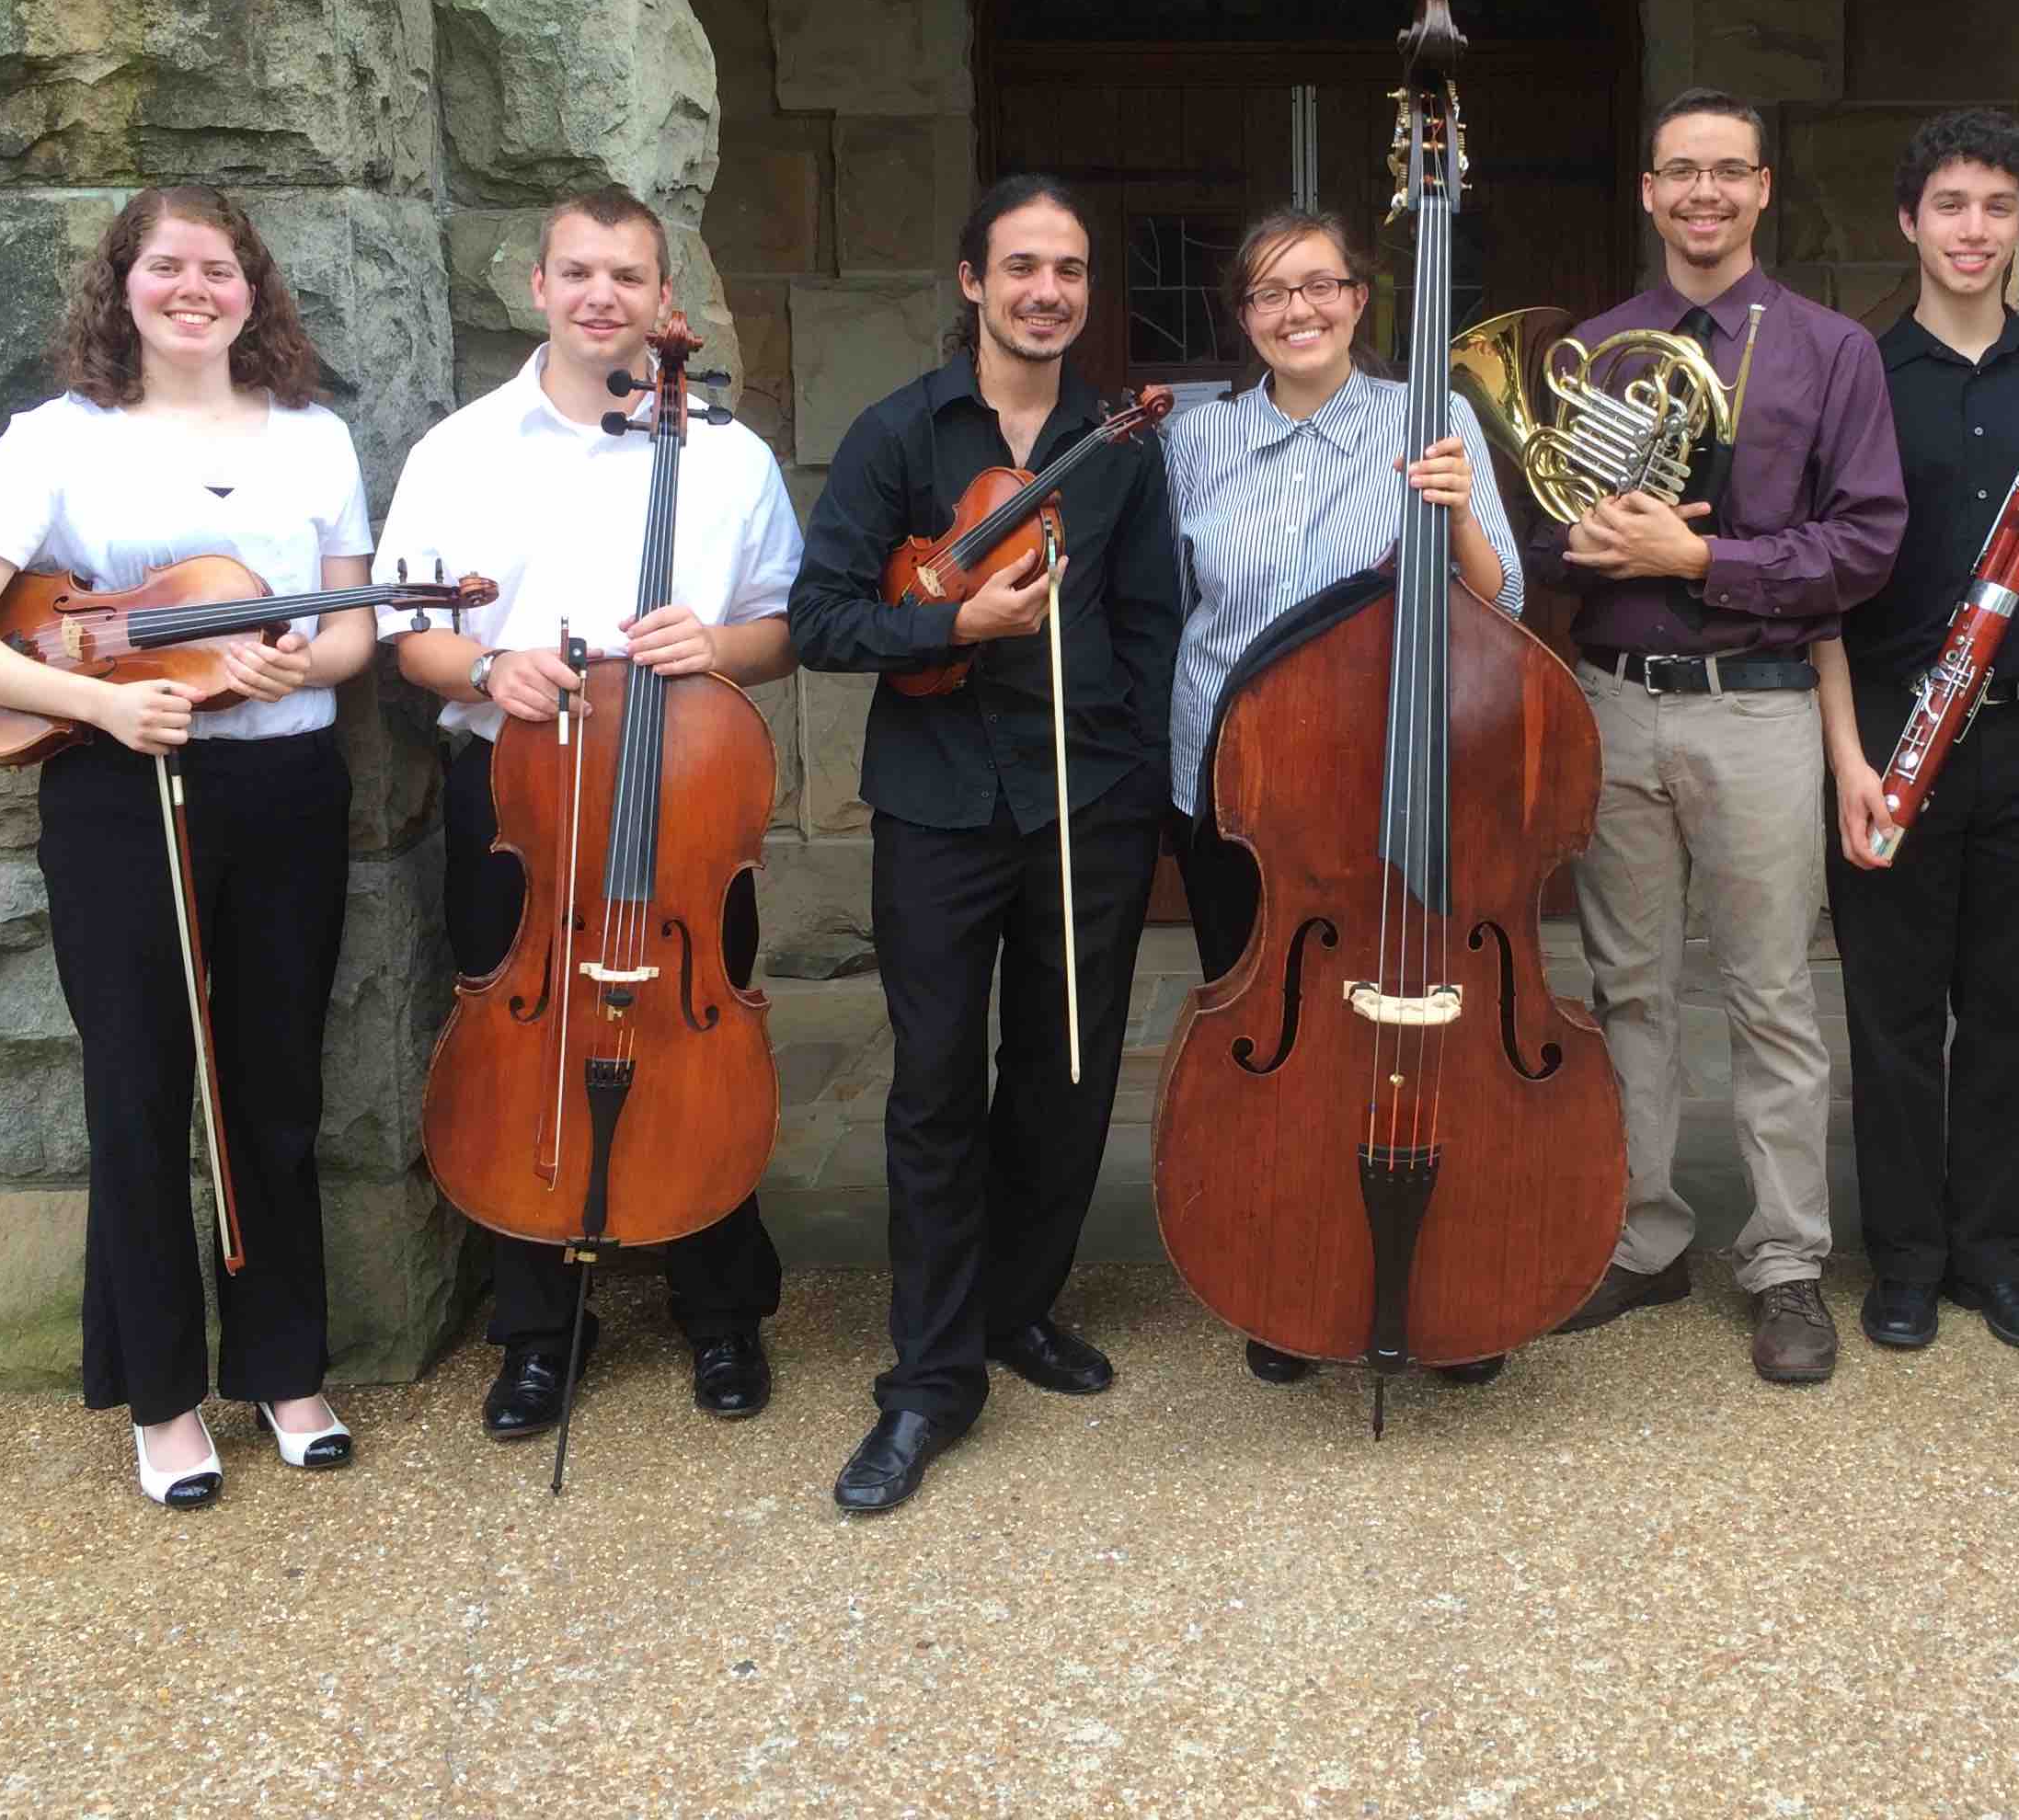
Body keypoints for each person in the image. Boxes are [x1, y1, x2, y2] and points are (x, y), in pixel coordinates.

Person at [0, 188, 373, 1507]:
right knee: (144, 1089)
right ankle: (162, 1398)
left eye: (219, 269)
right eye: (166, 268)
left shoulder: (315, 437)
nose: (194, 290)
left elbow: (351, 634)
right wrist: (103, 702)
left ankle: (284, 1368)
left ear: (252, 290)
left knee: (274, 1086)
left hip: (285, 786)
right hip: (122, 788)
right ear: (124, 286)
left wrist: (299, 651)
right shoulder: (57, 441)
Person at [375, 189, 802, 1443]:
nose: (601, 295)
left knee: (697, 1038)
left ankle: (721, 1307)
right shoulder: (462, 447)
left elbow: (783, 629)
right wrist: (486, 667)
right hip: (522, 796)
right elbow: (409, 635)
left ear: (665, 299)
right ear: (540, 284)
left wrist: (713, 640)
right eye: (579, 272)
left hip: (686, 806)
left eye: (627, 274)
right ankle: (538, 1331)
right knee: (527, 1054)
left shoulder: (727, 454)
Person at [790, 175, 1180, 1514]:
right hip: (942, 805)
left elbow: (1150, 622)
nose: (1046, 291)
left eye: (1069, 269)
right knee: (937, 1088)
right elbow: (823, 618)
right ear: (972, 283)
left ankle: (1019, 1305)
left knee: (1066, 1076)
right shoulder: (901, 434)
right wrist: (948, 632)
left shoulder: (1122, 441)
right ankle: (932, 1376)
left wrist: (1122, 779)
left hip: (1086, 801)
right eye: (1021, 266)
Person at [1528, 88, 1906, 1386]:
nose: (1704, 193)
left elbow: (1864, 545)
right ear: (1648, 191)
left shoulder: (1829, 352)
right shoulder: (1598, 345)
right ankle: (1643, 1240)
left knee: (1772, 998)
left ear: (1761, 192)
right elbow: (1540, 542)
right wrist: (1579, 538)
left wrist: (1700, 551)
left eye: (1727, 173)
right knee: (1629, 990)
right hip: (1616, 704)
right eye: (1680, 172)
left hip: (1759, 706)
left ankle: (1787, 1262)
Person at [1161, 206, 1523, 1388]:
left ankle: (1446, 1270)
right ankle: (1286, 1271)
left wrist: (1460, 504)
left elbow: (1502, 602)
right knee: (1273, 1044)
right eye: (1269, 294)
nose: (1297, 311)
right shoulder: (1194, 445)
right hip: (1240, 787)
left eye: (1319, 287)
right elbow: (1163, 606)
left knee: (1422, 1031)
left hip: (1396, 782)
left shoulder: (1435, 419)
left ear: (1361, 301)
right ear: (1245, 315)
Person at [1814, 110, 2019, 1358]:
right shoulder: (1859, 381)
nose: (1973, 229)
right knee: (1892, 1009)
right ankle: (1904, 1259)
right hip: (1894, 722)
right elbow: (1820, 596)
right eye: (1950, 204)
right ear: (1911, 220)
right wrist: (1848, 759)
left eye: (1997, 207)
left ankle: (1998, 1256)